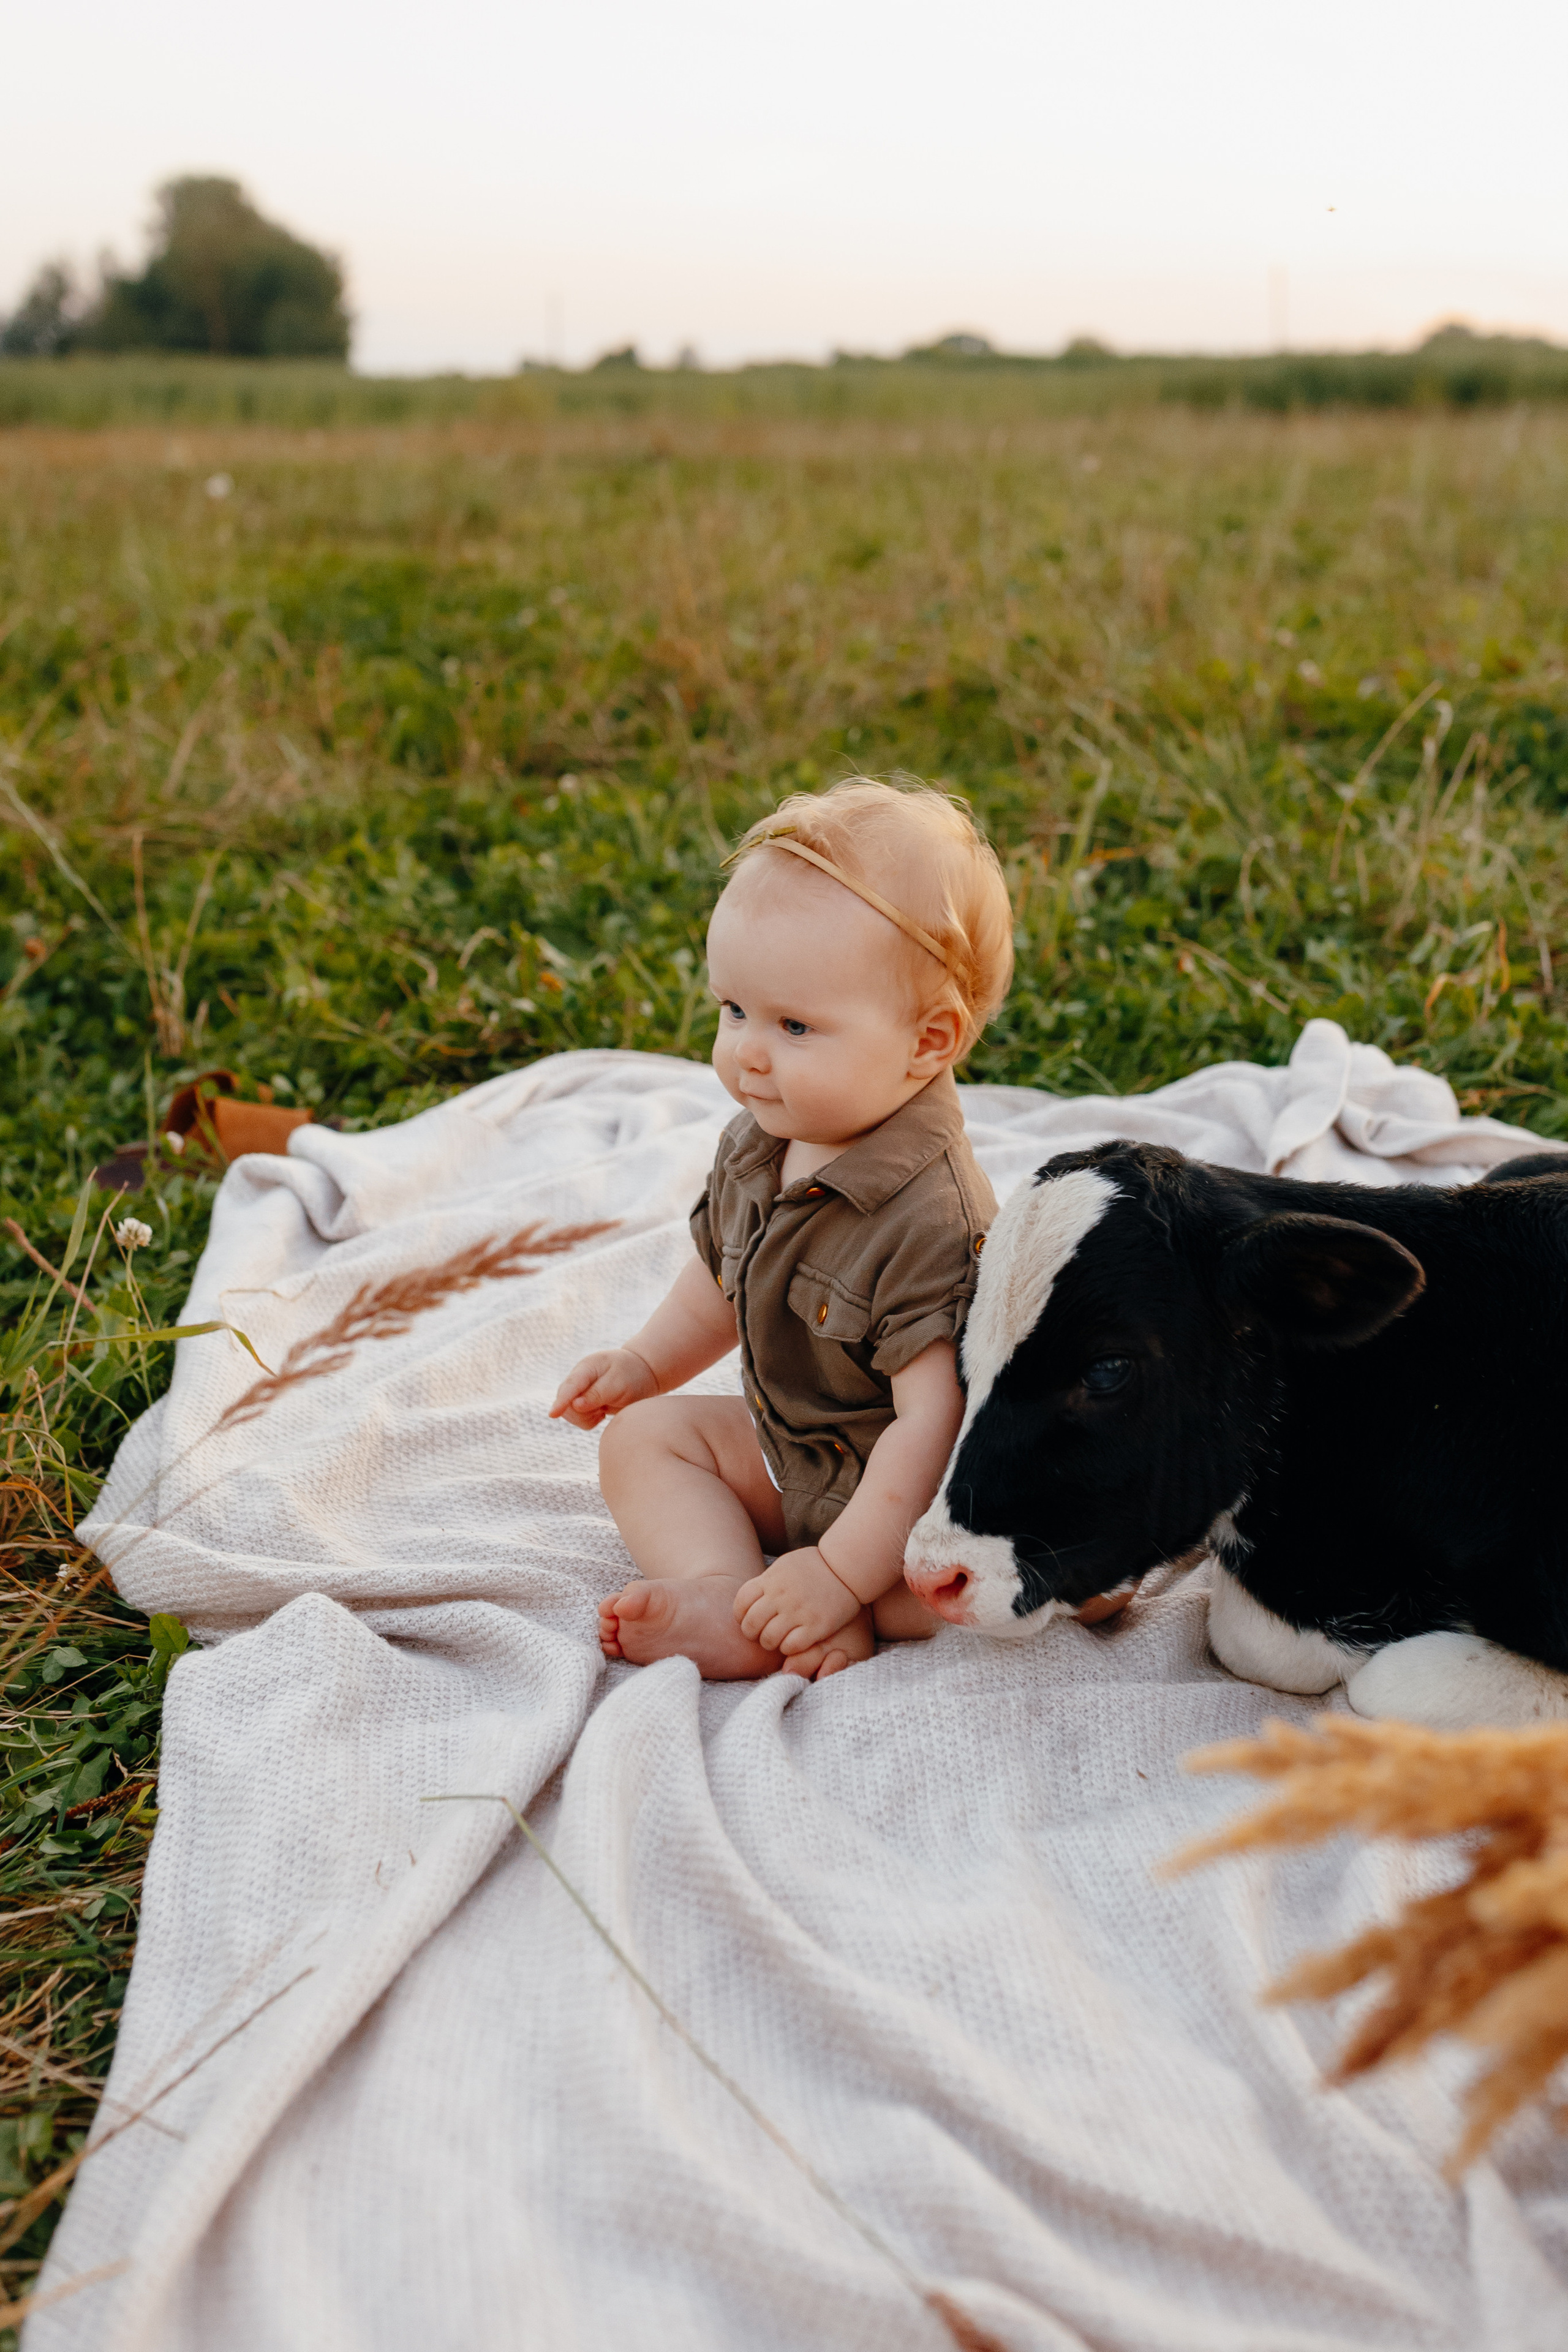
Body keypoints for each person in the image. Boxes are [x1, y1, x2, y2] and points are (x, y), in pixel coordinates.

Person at [550, 778, 1014, 1679]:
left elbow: (933, 1425)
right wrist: (645, 1364)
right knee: (645, 1441)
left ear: (928, 1042)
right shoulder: (765, 1138)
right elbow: (724, 1273)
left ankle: (832, 1611)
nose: (746, 1053)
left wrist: (839, 1574)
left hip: (916, 1500)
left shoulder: (933, 1218)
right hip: (799, 1455)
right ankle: (732, 1600)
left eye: (794, 1025)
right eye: (734, 1011)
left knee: (963, 1588)